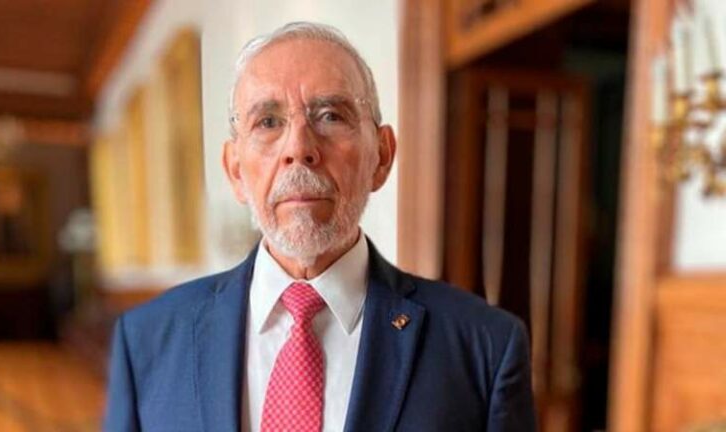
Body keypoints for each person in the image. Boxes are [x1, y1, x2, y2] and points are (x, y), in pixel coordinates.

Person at [104, 21, 535, 432]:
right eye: (268, 122)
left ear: (381, 156)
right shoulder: (145, 342)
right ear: (235, 171)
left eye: (330, 116)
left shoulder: (485, 347)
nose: (299, 148)